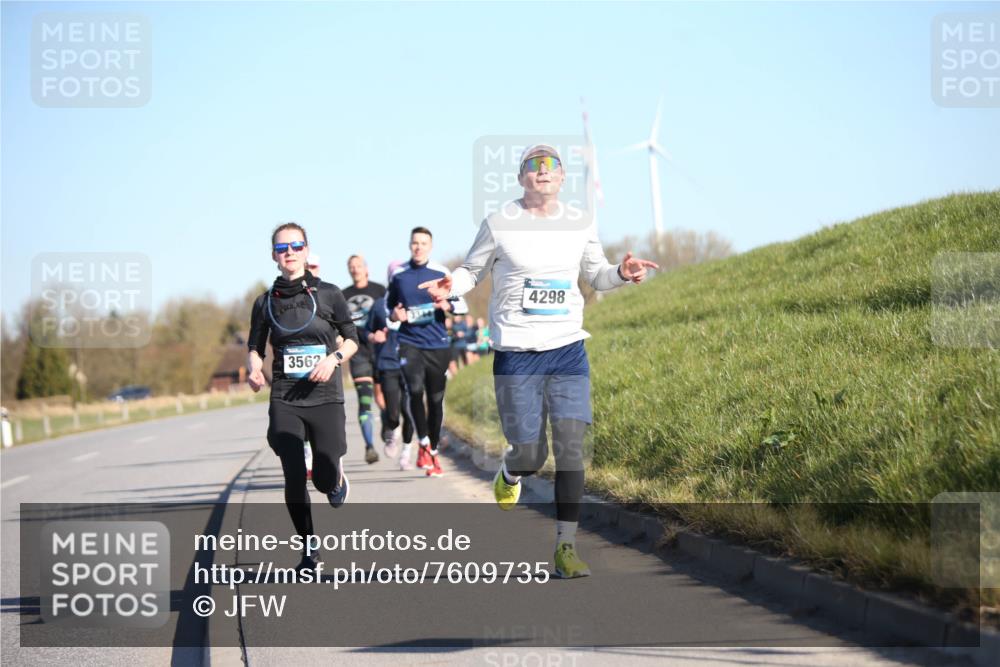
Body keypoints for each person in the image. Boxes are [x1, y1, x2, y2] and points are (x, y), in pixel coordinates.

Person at [420, 144, 658, 578]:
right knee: (531, 453)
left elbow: (596, 274)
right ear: (521, 177)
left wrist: (621, 275)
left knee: (571, 450)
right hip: (516, 352)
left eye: (551, 165)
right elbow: (472, 271)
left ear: (563, 178)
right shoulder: (499, 223)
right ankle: (512, 471)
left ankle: (565, 547)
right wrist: (449, 285)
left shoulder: (580, 221)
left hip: (568, 348)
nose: (543, 171)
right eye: (534, 164)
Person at [247, 223, 359, 572]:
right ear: (274, 257)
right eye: (283, 248)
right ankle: (310, 552)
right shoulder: (265, 302)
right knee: (294, 474)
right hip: (285, 396)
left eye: (296, 246)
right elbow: (254, 347)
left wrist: (334, 359)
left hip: (325, 395)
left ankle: (335, 477)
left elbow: (352, 338)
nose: (290, 252)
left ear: (307, 251)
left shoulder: (329, 294)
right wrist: (253, 368)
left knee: (323, 476)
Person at [386, 226, 467, 477]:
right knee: (415, 390)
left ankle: (431, 447)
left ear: (430, 246)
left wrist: (447, 304)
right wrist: (394, 315)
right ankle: (423, 445)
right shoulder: (399, 276)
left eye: (423, 243)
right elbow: (390, 314)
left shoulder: (441, 272)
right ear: (410, 246)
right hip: (410, 343)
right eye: (414, 243)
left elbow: (461, 305)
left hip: (438, 344)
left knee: (435, 400)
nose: (418, 246)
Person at [365, 260, 417, 469]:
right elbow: (365, 330)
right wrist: (373, 336)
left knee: (410, 409)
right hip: (387, 364)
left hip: (411, 362)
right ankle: (391, 429)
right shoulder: (379, 305)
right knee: (393, 411)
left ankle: (406, 453)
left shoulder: (414, 302)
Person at [342, 255, 386, 465]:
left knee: (383, 398)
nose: (355, 269)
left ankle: (388, 423)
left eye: (358, 266)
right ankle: (369, 446)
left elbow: (390, 316)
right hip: (358, 352)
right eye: (351, 267)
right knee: (365, 401)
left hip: (381, 351)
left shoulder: (379, 290)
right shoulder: (343, 295)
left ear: (366, 268)